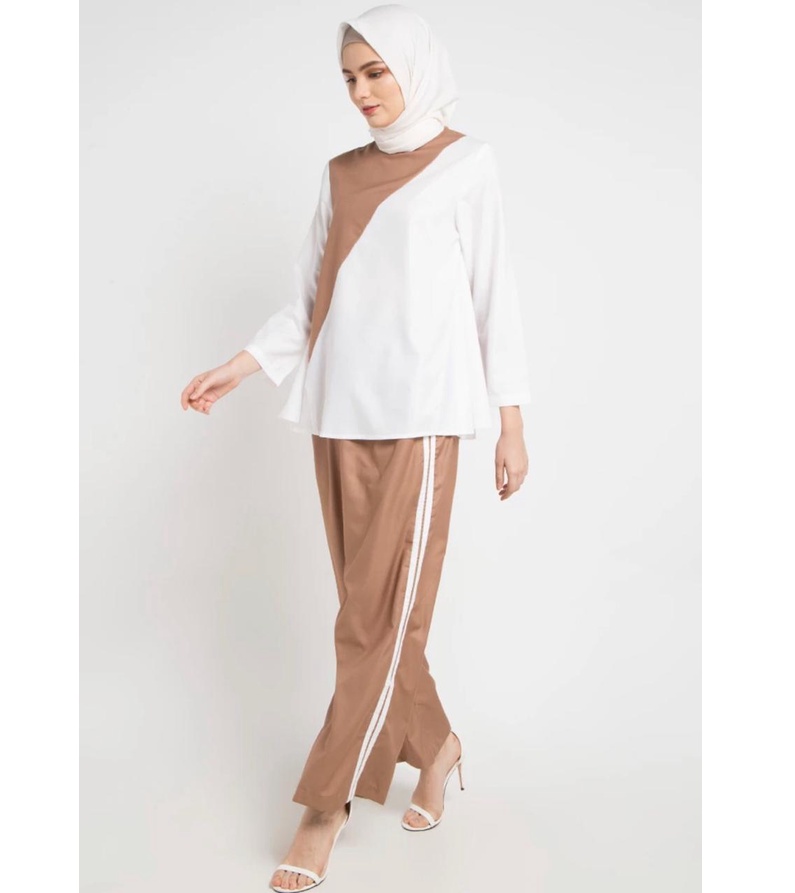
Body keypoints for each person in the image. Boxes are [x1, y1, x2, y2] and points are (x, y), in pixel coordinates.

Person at [180, 4, 531, 890]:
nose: (361, 92)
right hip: (338, 415)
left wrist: (511, 421)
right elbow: (311, 295)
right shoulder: (339, 174)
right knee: (372, 617)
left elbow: (494, 296)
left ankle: (324, 805)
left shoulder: (466, 164)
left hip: (420, 418)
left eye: (375, 72)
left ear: (413, 66)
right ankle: (437, 742)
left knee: (369, 624)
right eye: (348, 78)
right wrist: (240, 366)